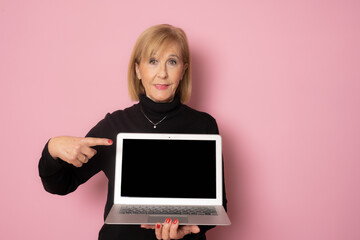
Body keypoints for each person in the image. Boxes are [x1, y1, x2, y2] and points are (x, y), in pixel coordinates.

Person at [39, 24, 227, 240]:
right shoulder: (114, 125)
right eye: (153, 61)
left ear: (183, 69)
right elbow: (61, 184)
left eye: (172, 62)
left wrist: (187, 228)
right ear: (138, 69)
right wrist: (51, 148)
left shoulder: (204, 126)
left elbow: (217, 206)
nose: (162, 73)